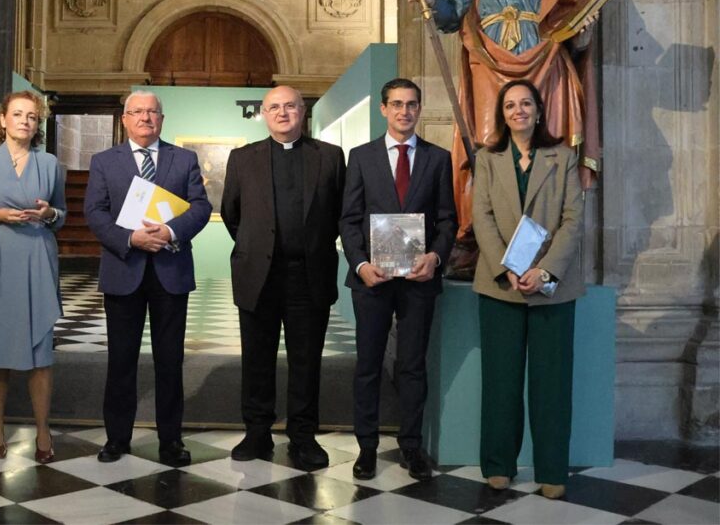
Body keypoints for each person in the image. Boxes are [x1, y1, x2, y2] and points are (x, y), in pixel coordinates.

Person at [401, 0, 599, 275]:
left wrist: (582, 26)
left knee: (547, 142)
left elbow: (572, 7)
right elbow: (451, 6)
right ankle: (478, 239)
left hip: (542, 57)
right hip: (490, 62)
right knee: (489, 144)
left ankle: (543, 238)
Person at [83, 91, 211, 466]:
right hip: (124, 271)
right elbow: (95, 210)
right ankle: (117, 438)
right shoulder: (104, 161)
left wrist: (170, 232)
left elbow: (201, 206)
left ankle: (171, 441)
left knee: (170, 362)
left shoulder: (183, 158)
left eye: (152, 112)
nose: (145, 118)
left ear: (162, 118)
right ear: (124, 119)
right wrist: (130, 238)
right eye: (137, 112)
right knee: (121, 361)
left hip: (170, 272)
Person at [220, 86, 346, 470]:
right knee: (256, 357)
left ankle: (303, 437)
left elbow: (341, 211)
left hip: (309, 275)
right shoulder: (242, 158)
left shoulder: (330, 157)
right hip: (259, 273)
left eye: (290, 105)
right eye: (274, 107)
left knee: (306, 360)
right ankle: (257, 432)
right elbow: (231, 213)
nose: (283, 112)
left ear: (302, 111)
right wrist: (258, 248)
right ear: (264, 114)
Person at [470, 79, 584, 500]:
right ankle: (498, 465)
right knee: (500, 381)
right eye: (510, 105)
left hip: (552, 287)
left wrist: (545, 271)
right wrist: (511, 267)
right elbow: (481, 216)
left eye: (526, 103)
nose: (518, 111)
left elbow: (573, 219)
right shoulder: (487, 159)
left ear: (538, 110)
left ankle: (552, 469)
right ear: (502, 114)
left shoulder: (564, 157)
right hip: (502, 284)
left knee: (552, 382)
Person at [338, 78, 457, 481]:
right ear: (384, 109)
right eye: (397, 104)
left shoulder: (438, 159)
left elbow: (448, 219)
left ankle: (411, 446)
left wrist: (436, 256)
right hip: (373, 279)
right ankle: (367, 448)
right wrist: (360, 265)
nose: (404, 111)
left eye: (411, 104)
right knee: (368, 365)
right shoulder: (362, 157)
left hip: (419, 279)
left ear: (419, 109)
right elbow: (349, 220)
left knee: (412, 366)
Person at [0, 91, 65, 464]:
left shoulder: (51, 163)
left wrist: (48, 214)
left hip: (38, 257)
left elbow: (63, 215)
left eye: (32, 116)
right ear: (3, 120)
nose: (25, 121)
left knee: (41, 350)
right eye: (18, 114)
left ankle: (43, 429)